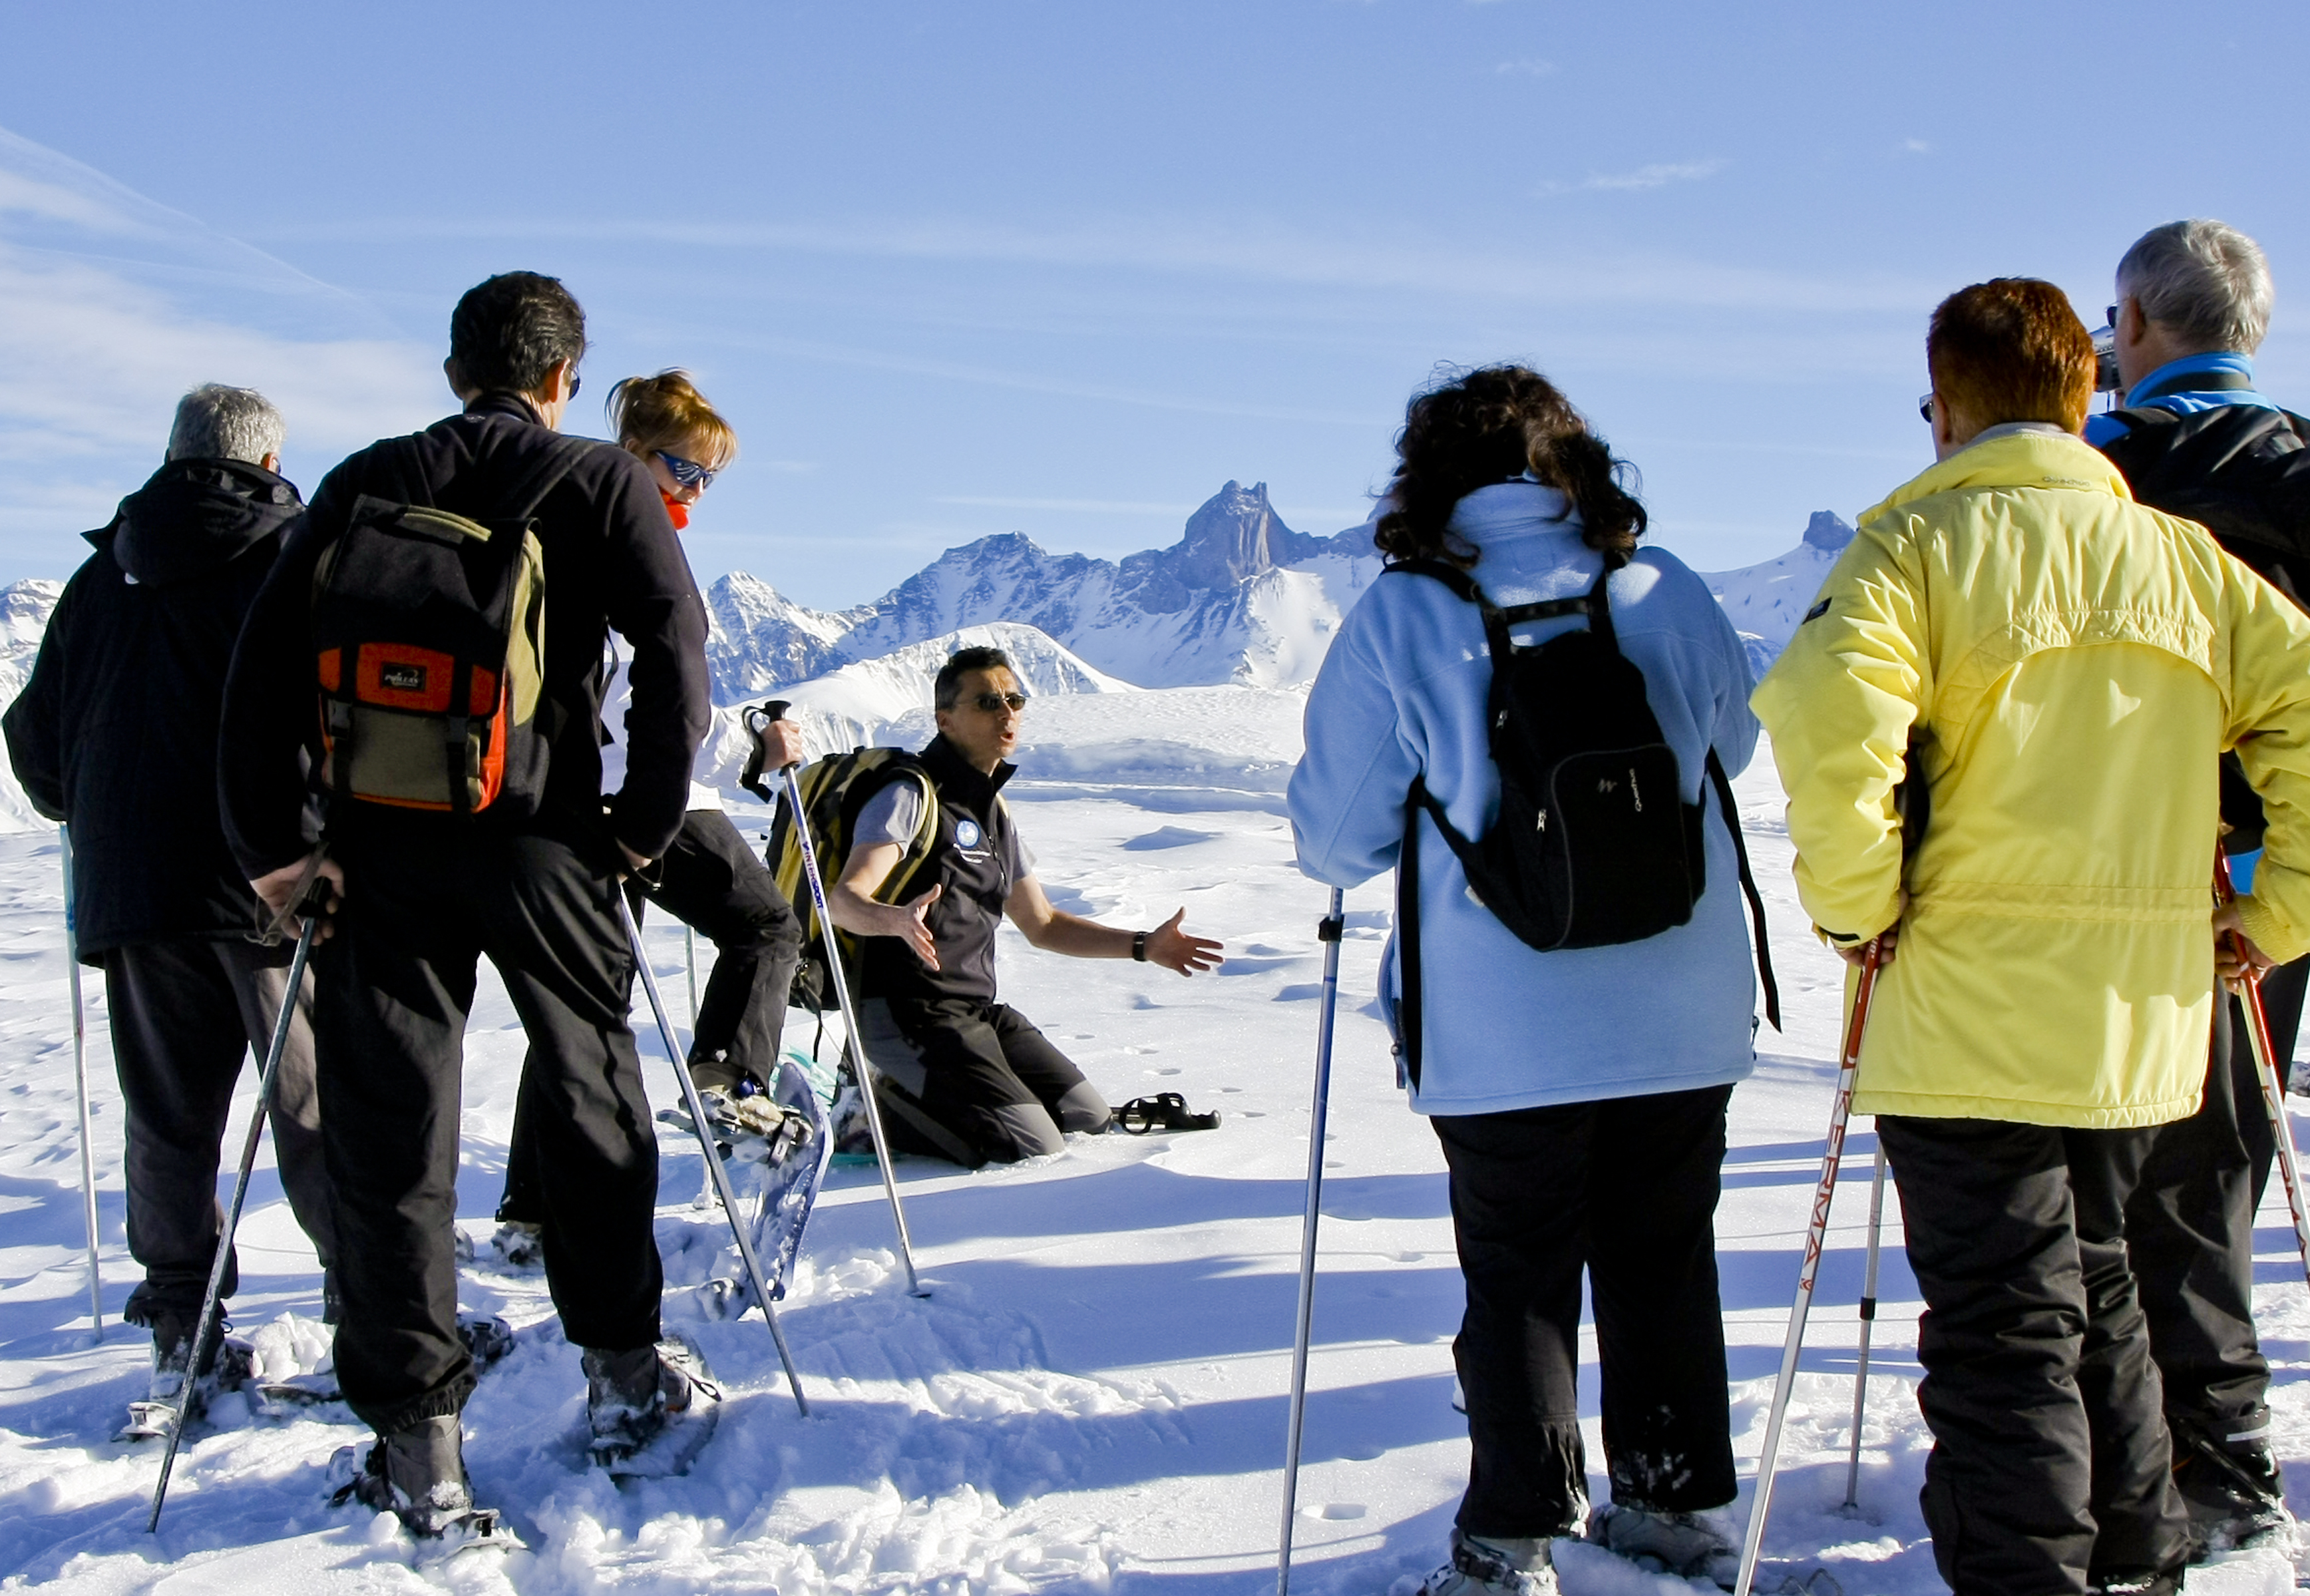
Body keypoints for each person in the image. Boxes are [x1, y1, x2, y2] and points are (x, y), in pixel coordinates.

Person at [1756, 278, 2310, 1596]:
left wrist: (1857, 901)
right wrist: (2279, 915)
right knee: (2103, 1295)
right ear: (2085, 395)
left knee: (1999, 1327)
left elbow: (1824, 710)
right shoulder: (2185, 562)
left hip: (1961, 1010)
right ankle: (2140, 1562)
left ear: (1949, 403)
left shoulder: (1914, 552)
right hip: (2139, 1019)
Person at [218, 272, 711, 1539]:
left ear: (452, 370)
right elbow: (675, 656)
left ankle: (417, 1442)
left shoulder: (365, 478)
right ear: (561, 377)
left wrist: (280, 849)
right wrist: (639, 830)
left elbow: (261, 670)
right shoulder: (601, 482)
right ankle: (622, 1376)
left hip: (381, 847)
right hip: (549, 838)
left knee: (393, 1131)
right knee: (591, 1092)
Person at [1290, 365, 1761, 1596]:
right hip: (1680, 997)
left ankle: (1511, 1537)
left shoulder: (1404, 614)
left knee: (1516, 1267)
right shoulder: (1662, 585)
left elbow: (1333, 838)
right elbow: (1734, 745)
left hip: (1500, 1023)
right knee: (1665, 1250)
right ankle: (1667, 1507)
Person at [2084, 218, 2310, 1549]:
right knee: (2215, 1174)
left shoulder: (2097, 478)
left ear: (2137, 327)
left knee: (2098, 1175)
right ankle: (2213, 1456)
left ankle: (2155, 1456)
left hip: (2106, 878)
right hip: (2279, 893)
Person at [3, 384, 337, 1414]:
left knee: (169, 1116)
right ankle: (372, 1303)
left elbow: (32, 736)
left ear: (173, 453)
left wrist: (95, 817)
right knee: (317, 1101)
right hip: (265, 883)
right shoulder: (291, 557)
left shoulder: (104, 574)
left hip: (135, 888)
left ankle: (181, 1323)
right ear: (270, 457)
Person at [488, 370, 804, 1268]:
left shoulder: (575, 527)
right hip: (640, 799)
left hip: (596, 796)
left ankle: (530, 1205)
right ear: (633, 451)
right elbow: (642, 686)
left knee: (583, 1006)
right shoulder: (625, 538)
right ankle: (728, 1082)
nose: (694, 490)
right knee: (765, 926)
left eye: (708, 478)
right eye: (683, 468)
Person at [827, 645, 1223, 1167]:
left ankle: (950, 1097)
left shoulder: (992, 810)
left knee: (1087, 1118)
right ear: (944, 719)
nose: (1007, 712)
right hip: (906, 1016)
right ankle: (873, 1098)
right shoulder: (910, 796)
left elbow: (1043, 924)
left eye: (1014, 699)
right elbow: (841, 900)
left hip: (973, 1011)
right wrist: (892, 919)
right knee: (1030, 1146)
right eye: (987, 702)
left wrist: (1143, 946)